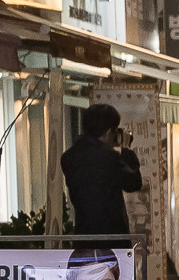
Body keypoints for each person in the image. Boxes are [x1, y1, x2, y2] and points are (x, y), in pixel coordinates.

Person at [60, 102, 141, 245]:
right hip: (113, 240)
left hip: (83, 237)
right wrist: (125, 150)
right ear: (109, 132)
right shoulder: (109, 158)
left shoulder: (68, 158)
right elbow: (133, 182)